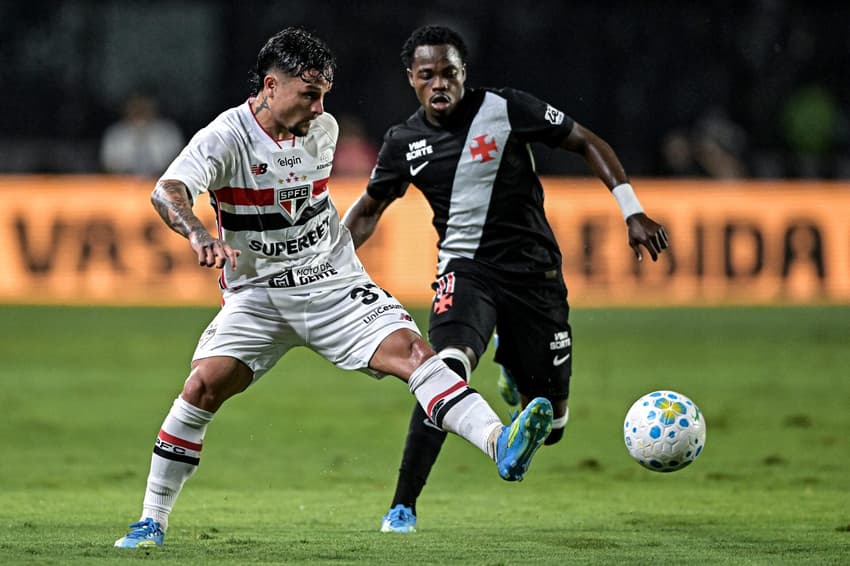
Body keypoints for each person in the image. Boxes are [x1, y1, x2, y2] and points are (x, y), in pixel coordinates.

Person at [113, 27, 553, 549]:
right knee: (202, 388)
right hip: (258, 296)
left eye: (324, 93)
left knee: (413, 353)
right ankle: (150, 522)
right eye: (309, 92)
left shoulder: (323, 128)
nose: (320, 105)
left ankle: (499, 443)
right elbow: (167, 192)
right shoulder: (224, 137)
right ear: (271, 86)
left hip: (329, 280)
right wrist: (199, 232)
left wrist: (336, 258)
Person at [342, 25, 670, 534]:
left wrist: (632, 210)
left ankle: (514, 371)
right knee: (442, 371)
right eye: (427, 75)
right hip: (465, 272)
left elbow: (586, 141)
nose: (439, 83)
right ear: (411, 79)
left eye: (449, 72)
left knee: (554, 425)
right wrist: (325, 263)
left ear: (464, 73)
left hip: (535, 274)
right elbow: (368, 209)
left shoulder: (506, 108)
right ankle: (402, 506)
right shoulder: (404, 142)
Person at [100, 93, 184, 177]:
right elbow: (108, 165)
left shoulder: (168, 131)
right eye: (135, 107)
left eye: (144, 107)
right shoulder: (115, 133)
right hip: (122, 183)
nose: (140, 111)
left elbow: (179, 161)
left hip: (164, 181)